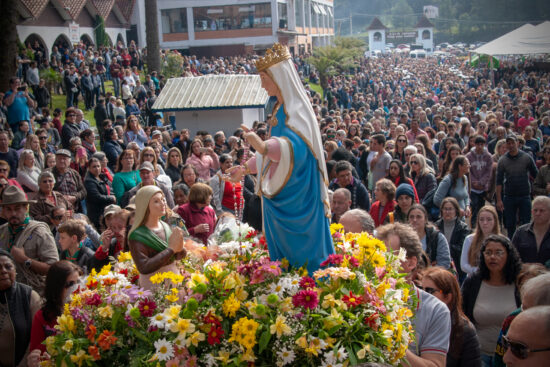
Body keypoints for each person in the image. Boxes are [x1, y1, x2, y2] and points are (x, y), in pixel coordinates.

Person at [227, 44, 334, 273]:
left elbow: (296, 150)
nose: (262, 84)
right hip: (281, 196)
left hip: (300, 197)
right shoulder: (279, 108)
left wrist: (263, 145)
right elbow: (271, 157)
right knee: (284, 260)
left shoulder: (296, 110)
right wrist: (244, 169)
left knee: (305, 260)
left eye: (264, 78)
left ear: (278, 77)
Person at [376, 223, 451, 367]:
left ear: (410, 263)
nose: (377, 265)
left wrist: (390, 339)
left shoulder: (436, 310)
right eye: (375, 256)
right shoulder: (361, 300)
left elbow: (435, 364)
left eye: (386, 257)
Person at [461, 234, 522, 367]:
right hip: (478, 353)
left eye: (498, 252)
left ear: (509, 255)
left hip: (510, 356)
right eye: (488, 252)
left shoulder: (519, 283)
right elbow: (462, 314)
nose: (492, 257)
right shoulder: (473, 282)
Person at [0, 186, 59, 294]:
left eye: (17, 208)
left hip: (34, 294)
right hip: (6, 296)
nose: (13, 213)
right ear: (3, 211)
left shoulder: (39, 232)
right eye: (8, 209)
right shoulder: (2, 231)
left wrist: (25, 260)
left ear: (26, 208)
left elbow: (53, 269)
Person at [421, 267, 481, 367]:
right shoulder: (418, 321)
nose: (423, 296)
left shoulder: (465, 331)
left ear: (448, 297)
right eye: (421, 289)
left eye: (429, 291)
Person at [128, 186, 187, 290]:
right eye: (156, 201)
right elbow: (144, 267)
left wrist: (180, 248)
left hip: (173, 278)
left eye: (163, 199)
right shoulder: (137, 235)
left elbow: (176, 256)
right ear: (145, 205)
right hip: (153, 284)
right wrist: (171, 249)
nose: (163, 203)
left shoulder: (165, 226)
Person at [27, 261, 81, 365]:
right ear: (56, 287)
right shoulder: (42, 316)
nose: (76, 288)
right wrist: (55, 341)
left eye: (78, 282)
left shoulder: (86, 312)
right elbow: (36, 353)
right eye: (70, 284)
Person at [0, 249, 41, 367]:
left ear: (15, 271)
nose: (3, 271)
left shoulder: (29, 296)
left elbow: (37, 339)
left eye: (8, 267)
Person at [496, 135, 538, 238]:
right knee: (510, 224)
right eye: (508, 143)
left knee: (526, 223)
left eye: (512, 143)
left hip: (524, 195)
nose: (510, 145)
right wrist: (499, 200)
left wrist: (537, 193)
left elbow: (536, 175)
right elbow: (499, 181)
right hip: (509, 196)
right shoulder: (502, 160)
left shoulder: (527, 157)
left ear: (517, 143)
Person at [435, 197, 471, 281]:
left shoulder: (463, 228)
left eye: (450, 209)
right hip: (440, 268)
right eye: (445, 209)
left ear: (456, 211)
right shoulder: (435, 226)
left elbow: (461, 249)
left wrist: (444, 249)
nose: (447, 212)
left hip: (458, 268)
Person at [461, 206, 501, 278]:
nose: (485, 223)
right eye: (481, 220)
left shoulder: (503, 240)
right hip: (474, 280)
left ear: (495, 221)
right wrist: (478, 271)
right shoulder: (469, 239)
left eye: (489, 219)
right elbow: (463, 265)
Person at [407, 204, 452, 269]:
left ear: (425, 219)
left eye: (418, 217)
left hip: (433, 277)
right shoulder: (403, 239)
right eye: (411, 217)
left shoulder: (437, 237)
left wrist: (425, 272)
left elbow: (444, 263)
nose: (414, 220)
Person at [511, 196, 550, 265]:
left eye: (542, 210)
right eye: (535, 210)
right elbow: (512, 257)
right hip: (524, 273)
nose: (538, 213)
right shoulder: (520, 232)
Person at [466, 136, 493, 225]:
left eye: (482, 144)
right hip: (473, 187)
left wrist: (481, 182)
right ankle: (473, 224)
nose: (480, 146)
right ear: (475, 144)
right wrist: (473, 182)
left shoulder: (488, 156)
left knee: (481, 206)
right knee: (474, 205)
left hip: (483, 187)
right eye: (478, 144)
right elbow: (468, 171)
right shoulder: (469, 156)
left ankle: (480, 223)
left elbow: (488, 171)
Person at [84, 157, 116, 230]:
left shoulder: (102, 177)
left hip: (106, 210)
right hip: (97, 214)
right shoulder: (89, 181)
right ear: (89, 168)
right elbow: (96, 197)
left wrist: (113, 195)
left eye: (98, 166)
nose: (97, 168)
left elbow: (111, 188)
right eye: (94, 166)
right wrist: (111, 198)